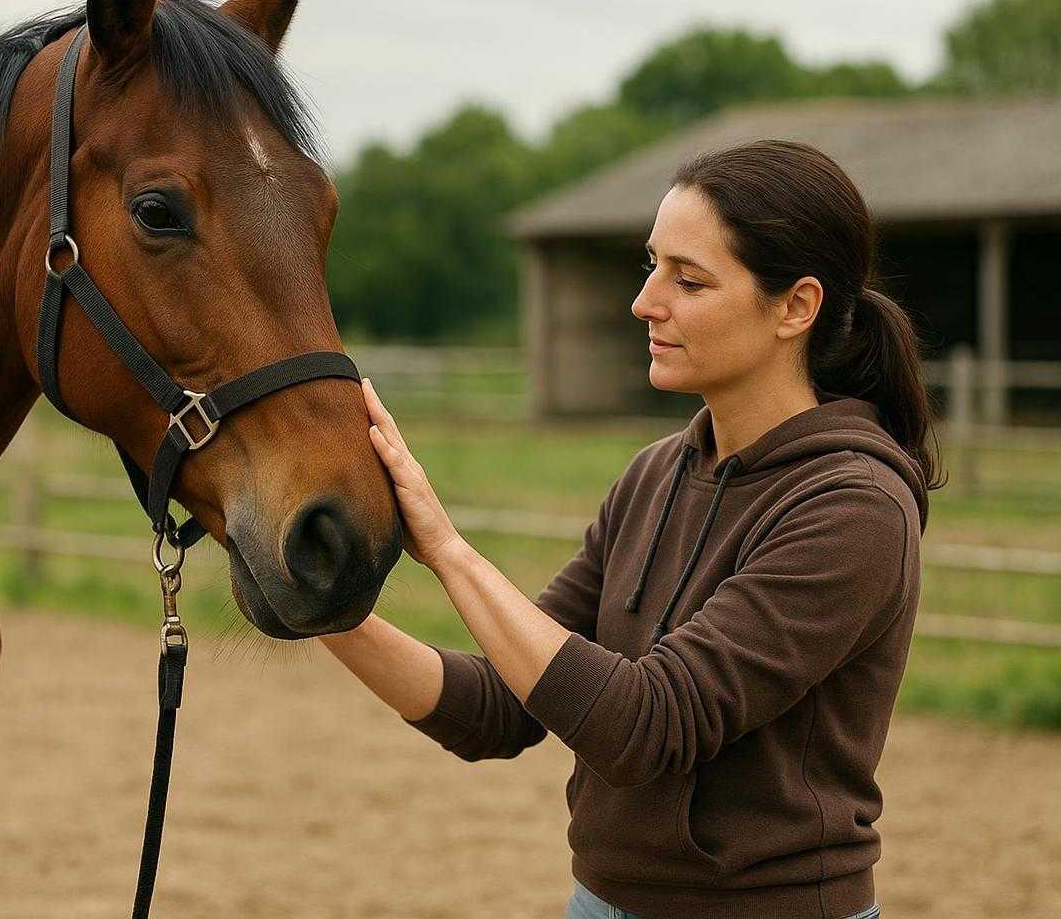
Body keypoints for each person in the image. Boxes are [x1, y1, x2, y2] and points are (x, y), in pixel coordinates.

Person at [322, 139, 941, 919]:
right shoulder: (654, 474)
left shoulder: (854, 508)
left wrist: (446, 551)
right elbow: (499, 708)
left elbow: (645, 726)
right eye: (652, 266)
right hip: (602, 901)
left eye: (689, 280)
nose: (647, 302)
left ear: (796, 307)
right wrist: (322, 606)